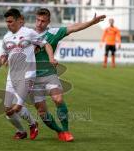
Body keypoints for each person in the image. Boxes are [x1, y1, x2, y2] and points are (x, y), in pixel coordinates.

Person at [0, 8, 56, 140]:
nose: (8, 24)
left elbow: (46, 44)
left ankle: (33, 124)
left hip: (28, 75)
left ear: (17, 21)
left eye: (10, 21)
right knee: (7, 109)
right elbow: (2, 58)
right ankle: (22, 130)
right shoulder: (6, 37)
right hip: (12, 76)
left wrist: (51, 58)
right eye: (7, 22)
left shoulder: (29, 33)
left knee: (16, 107)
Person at [33, 8, 106, 142]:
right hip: (32, 78)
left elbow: (74, 27)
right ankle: (59, 131)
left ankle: (66, 131)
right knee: (42, 112)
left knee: (58, 99)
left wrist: (91, 22)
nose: (39, 23)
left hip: (49, 74)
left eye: (43, 21)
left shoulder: (54, 32)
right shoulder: (27, 34)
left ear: (48, 21)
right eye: (37, 20)